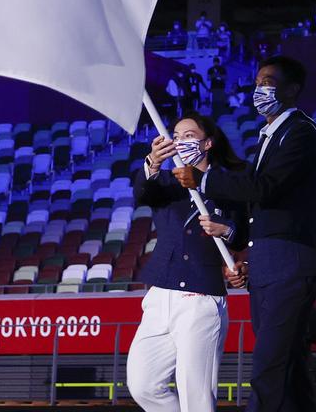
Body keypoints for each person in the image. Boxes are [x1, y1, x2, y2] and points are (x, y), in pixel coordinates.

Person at [174, 56, 316, 412]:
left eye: (269, 82)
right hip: (269, 261)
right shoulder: (271, 136)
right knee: (288, 368)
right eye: (257, 82)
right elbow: (260, 206)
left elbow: (266, 188)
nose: (260, 89)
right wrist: (237, 240)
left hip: (289, 260)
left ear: (292, 90)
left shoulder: (301, 132)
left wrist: (206, 179)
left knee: (269, 368)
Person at [129, 113, 249, 412]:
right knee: (143, 385)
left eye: (189, 135)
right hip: (160, 292)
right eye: (177, 135)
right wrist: (153, 163)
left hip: (201, 297)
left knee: (196, 394)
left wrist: (227, 230)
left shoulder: (230, 184)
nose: (181, 140)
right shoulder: (166, 181)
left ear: (207, 142)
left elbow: (244, 235)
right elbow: (142, 193)